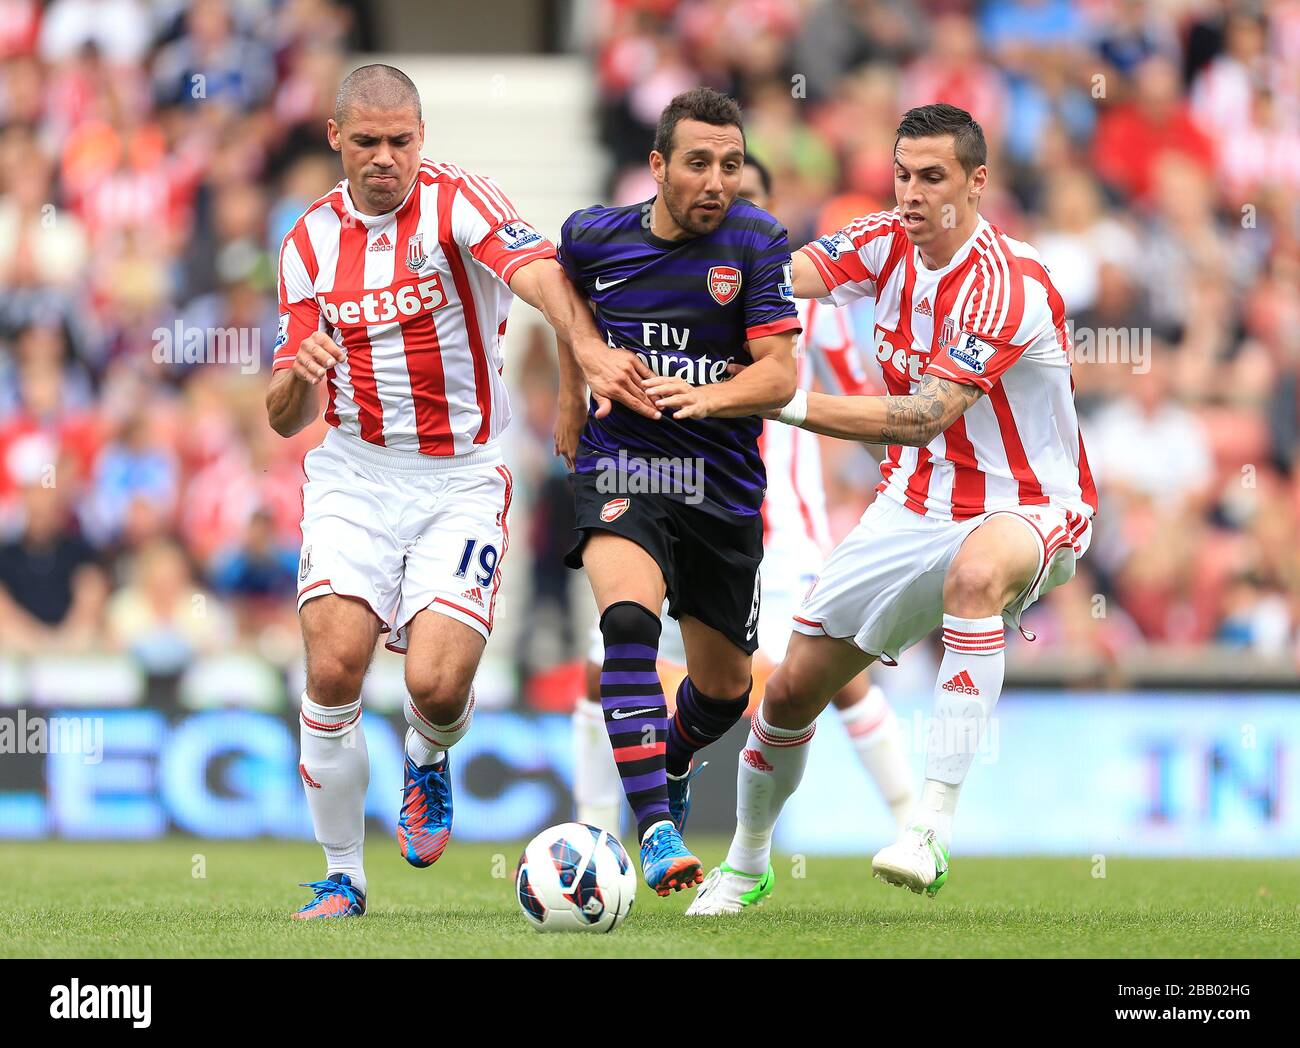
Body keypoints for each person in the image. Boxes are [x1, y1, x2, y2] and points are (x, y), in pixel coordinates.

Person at [267, 63, 654, 920]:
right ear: (336, 139)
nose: (384, 159)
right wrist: (298, 374)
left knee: (437, 688)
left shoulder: (459, 203)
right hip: (354, 473)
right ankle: (342, 876)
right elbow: (283, 414)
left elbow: (545, 275)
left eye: (400, 141)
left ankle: (427, 757)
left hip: (460, 477)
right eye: (366, 142)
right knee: (332, 666)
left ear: (421, 138)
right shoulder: (305, 245)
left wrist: (577, 363)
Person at [689, 103, 1097, 915]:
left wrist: (779, 400)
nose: (910, 194)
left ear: (978, 183)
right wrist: (691, 268)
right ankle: (746, 862)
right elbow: (784, 275)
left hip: (1029, 505)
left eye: (932, 178)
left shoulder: (1007, 286)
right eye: (902, 175)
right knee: (791, 695)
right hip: (908, 506)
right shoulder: (882, 241)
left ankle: (929, 827)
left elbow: (925, 414)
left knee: (976, 579)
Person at [561, 155, 915, 861]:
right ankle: (599, 830)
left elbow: (873, 399)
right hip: (665, 504)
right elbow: (575, 318)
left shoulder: (804, 305)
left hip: (781, 530)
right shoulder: (653, 285)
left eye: (748, 197)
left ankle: (911, 821)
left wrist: (870, 478)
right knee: (610, 658)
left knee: (820, 681)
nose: (728, 208)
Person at [555, 87, 800, 897]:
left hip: (720, 483)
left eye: (731, 164)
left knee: (728, 688)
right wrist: (571, 390)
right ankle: (656, 833)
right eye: (699, 163)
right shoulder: (595, 236)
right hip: (626, 464)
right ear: (658, 166)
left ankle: (672, 759)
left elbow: (780, 372)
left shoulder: (757, 241)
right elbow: (567, 306)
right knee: (626, 621)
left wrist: (708, 398)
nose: (717, 181)